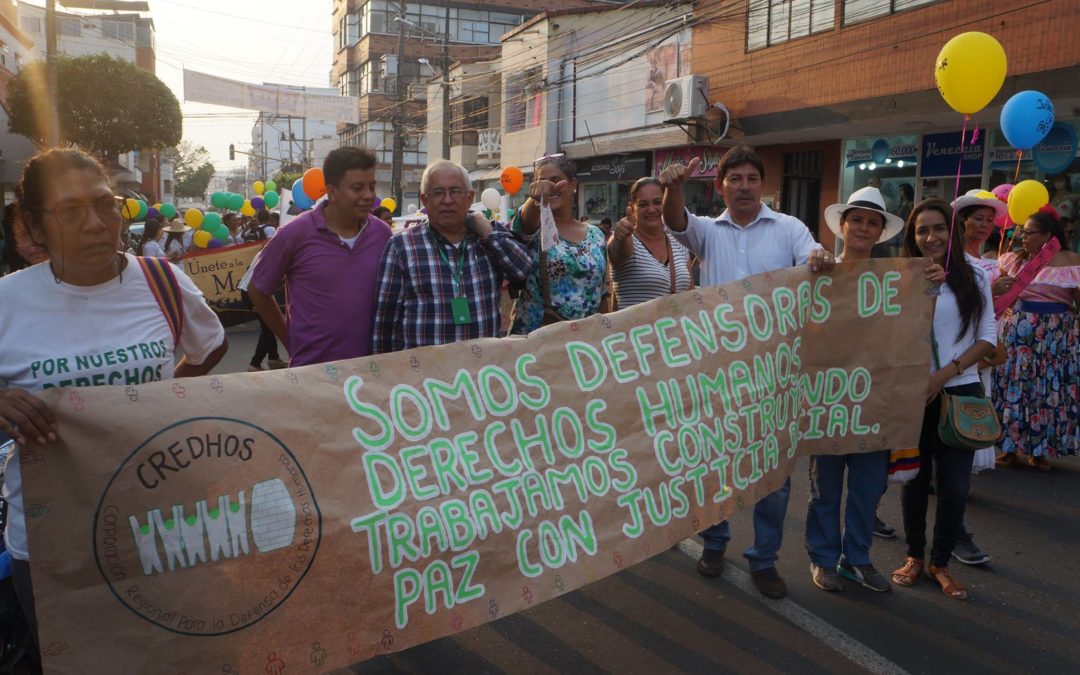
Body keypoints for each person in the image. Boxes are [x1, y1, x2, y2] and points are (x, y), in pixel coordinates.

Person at [0, 148, 228, 664]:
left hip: (160, 528)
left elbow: (210, 344)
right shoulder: (7, 302)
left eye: (107, 205)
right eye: (71, 210)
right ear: (34, 224)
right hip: (50, 543)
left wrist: (168, 393)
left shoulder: (162, 281)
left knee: (175, 657)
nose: (98, 223)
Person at [661, 144, 834, 599]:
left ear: (763, 185)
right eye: (733, 179)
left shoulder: (790, 228)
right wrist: (674, 188)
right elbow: (674, 220)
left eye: (751, 179)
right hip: (717, 374)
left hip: (774, 375)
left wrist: (819, 260)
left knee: (773, 475)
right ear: (720, 186)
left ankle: (764, 559)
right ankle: (714, 543)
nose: (743, 187)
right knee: (715, 465)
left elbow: (815, 256)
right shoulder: (705, 231)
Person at [891, 198, 995, 601]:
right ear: (912, 238)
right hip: (913, 395)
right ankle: (914, 556)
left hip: (960, 393)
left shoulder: (976, 277)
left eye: (937, 228)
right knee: (913, 480)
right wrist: (928, 290)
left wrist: (944, 374)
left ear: (951, 232)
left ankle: (941, 562)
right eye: (921, 230)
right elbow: (899, 334)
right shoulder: (903, 278)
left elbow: (988, 336)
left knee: (954, 486)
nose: (930, 237)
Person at [807, 187, 908, 593]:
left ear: (880, 231)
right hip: (830, 402)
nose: (864, 227)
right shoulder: (819, 271)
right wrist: (812, 267)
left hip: (874, 405)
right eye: (858, 220)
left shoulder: (898, 281)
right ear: (843, 226)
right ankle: (824, 559)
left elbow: (910, 331)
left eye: (872, 222)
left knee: (866, 493)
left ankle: (859, 559)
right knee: (825, 491)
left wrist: (930, 283)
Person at [248, 146, 392, 367]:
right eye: (357, 188)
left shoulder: (382, 234)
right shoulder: (294, 234)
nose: (368, 196)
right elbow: (258, 289)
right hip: (312, 373)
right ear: (332, 192)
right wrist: (290, 340)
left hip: (372, 371)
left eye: (371, 187)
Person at [371, 160, 532, 353]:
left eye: (455, 191)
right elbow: (385, 322)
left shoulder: (489, 237)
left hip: (482, 374)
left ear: (469, 197)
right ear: (425, 199)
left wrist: (488, 233)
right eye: (438, 193)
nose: (447, 200)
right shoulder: (401, 247)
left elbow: (523, 271)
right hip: (426, 378)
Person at [993, 211, 1080, 470]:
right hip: (1018, 334)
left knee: (1046, 391)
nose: (1021, 237)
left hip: (1055, 336)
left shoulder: (1071, 262)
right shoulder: (1015, 260)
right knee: (1014, 388)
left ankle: (1039, 450)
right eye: (1020, 232)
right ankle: (1009, 448)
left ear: (1047, 236)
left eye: (1028, 233)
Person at [510, 155, 610, 334]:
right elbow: (523, 223)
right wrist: (536, 200)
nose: (549, 187)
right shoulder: (533, 230)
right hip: (538, 343)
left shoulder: (596, 235)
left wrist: (605, 335)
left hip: (585, 343)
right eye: (542, 182)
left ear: (573, 184)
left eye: (555, 181)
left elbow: (601, 293)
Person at [608, 177, 692, 307]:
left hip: (676, 326)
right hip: (635, 327)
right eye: (643, 204)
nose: (651, 209)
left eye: (657, 202)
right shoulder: (627, 239)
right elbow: (618, 251)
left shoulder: (679, 243)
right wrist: (621, 237)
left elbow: (691, 297)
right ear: (632, 207)